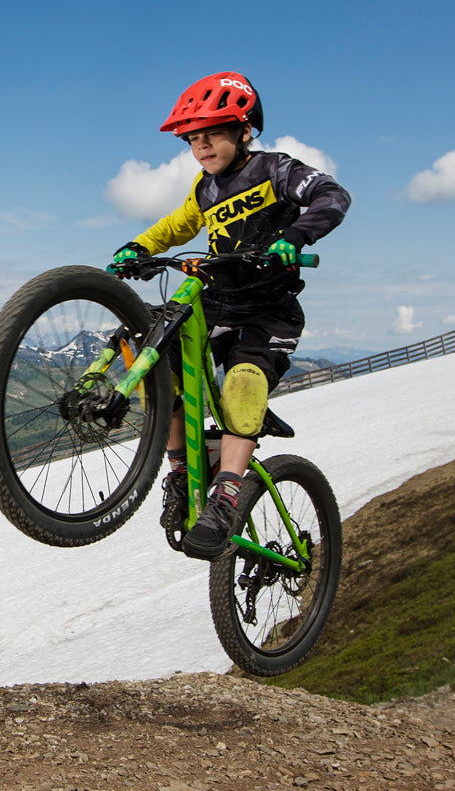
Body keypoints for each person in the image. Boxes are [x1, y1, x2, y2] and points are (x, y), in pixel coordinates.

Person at [107, 71, 351, 560]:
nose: (202, 146)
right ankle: (179, 474)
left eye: (213, 133)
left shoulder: (276, 170)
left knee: (241, 383)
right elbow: (176, 226)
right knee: (152, 353)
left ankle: (227, 494)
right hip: (217, 305)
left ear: (245, 131)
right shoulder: (205, 189)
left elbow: (332, 196)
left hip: (270, 312)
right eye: (193, 139)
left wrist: (296, 237)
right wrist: (139, 247)